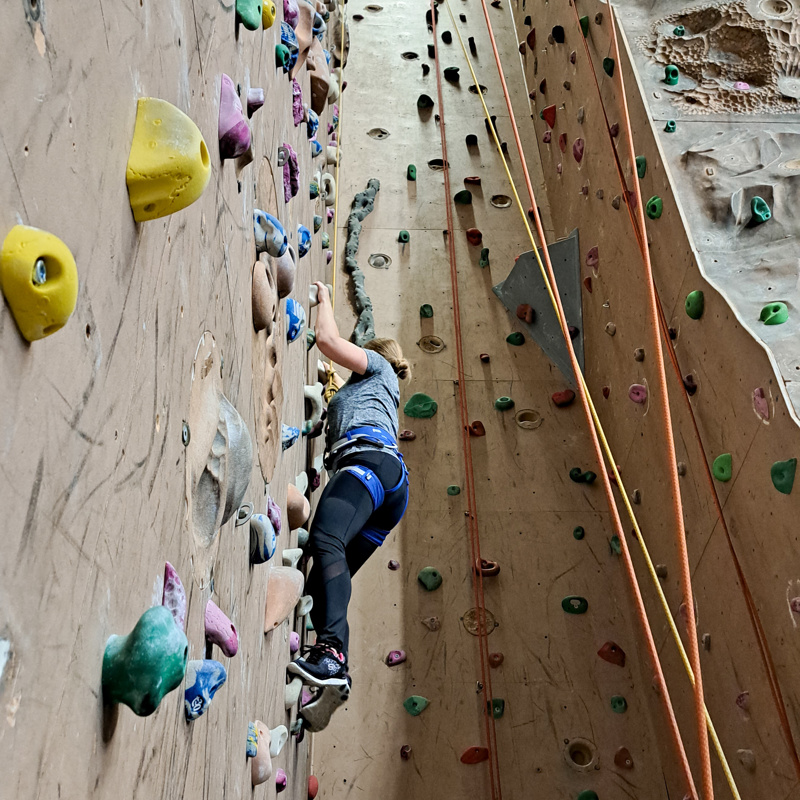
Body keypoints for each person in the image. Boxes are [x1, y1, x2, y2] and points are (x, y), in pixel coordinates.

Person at [288, 282, 411, 702]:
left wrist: (324, 300)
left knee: (325, 539)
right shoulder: (380, 396)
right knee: (322, 586)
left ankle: (333, 656)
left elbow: (326, 340)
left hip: (368, 464)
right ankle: (326, 687)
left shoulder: (377, 367)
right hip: (388, 487)